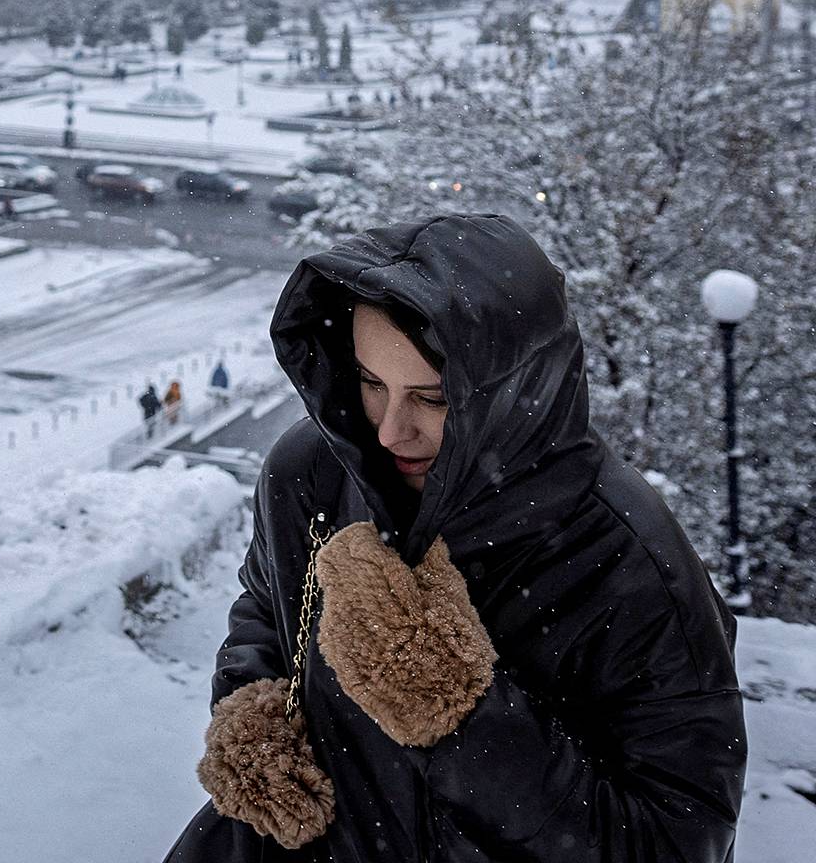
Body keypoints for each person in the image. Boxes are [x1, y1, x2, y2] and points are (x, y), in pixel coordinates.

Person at [164, 214, 747, 863]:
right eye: (370, 383)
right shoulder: (313, 471)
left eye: (434, 398)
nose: (389, 431)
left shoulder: (631, 564)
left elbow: (675, 842)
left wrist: (458, 710)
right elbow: (265, 606)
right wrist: (250, 708)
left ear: (518, 391)